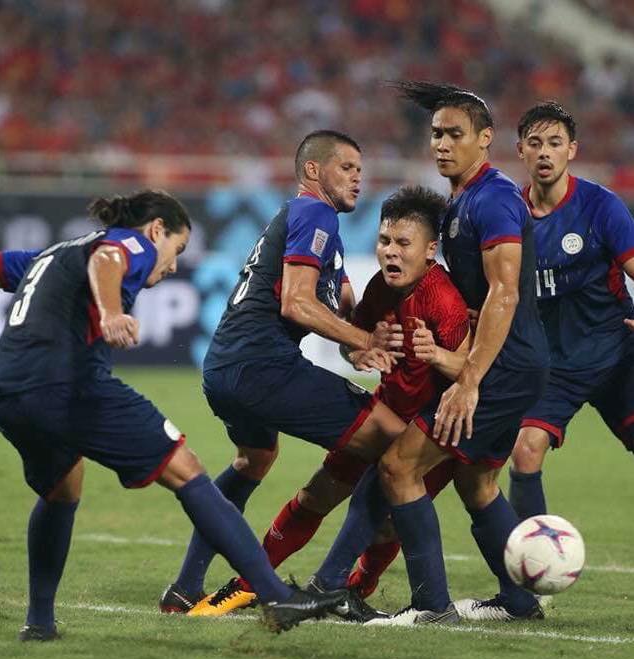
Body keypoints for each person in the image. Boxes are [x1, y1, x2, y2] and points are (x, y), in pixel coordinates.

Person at [0, 190, 346, 640]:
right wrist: (111, 313)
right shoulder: (132, 243)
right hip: (68, 386)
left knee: (62, 489)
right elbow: (109, 259)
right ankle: (275, 595)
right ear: (157, 229)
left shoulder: (53, 253)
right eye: (177, 249)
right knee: (187, 469)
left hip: (8, 391)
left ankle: (39, 624)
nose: (172, 265)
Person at [307, 82, 550, 626]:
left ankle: (432, 605)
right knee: (476, 483)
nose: (442, 143)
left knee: (398, 466)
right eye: (436, 133)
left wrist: (469, 379)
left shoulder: (493, 198)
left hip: (501, 367)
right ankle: (518, 599)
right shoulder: (462, 201)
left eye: (455, 134)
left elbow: (505, 292)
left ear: (485, 139)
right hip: (511, 364)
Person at [188, 185, 471, 617]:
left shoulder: (443, 299)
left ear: (430, 249)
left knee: (388, 521)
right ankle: (248, 586)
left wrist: (437, 356)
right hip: (385, 411)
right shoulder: (379, 288)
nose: (390, 252)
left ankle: (353, 589)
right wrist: (359, 352)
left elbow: (468, 372)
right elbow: (352, 343)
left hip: (424, 432)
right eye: (384, 241)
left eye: (403, 243)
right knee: (315, 495)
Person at [159, 131, 408, 621]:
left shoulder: (313, 227)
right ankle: (336, 584)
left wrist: (352, 343)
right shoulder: (314, 212)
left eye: (360, 170)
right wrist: (365, 340)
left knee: (255, 459)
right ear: (313, 171)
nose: (358, 178)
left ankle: (185, 588)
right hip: (261, 366)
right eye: (346, 167)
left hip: (225, 366)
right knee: (393, 441)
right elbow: (296, 303)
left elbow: (331, 306)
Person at [505, 102, 634, 521]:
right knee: (525, 451)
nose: (545, 152)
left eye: (555, 143)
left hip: (616, 352)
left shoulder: (601, 206)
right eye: (535, 143)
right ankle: (531, 562)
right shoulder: (508, 215)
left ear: (572, 150)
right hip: (553, 365)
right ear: (520, 150)